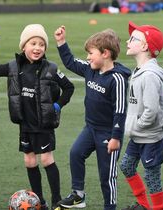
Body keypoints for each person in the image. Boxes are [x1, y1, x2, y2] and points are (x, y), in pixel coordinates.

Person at [0, 24, 74, 210]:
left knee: (47, 159)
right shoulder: (14, 67)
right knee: (29, 161)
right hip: (25, 124)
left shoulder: (51, 68)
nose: (37, 48)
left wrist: (58, 105)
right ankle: (40, 202)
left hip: (44, 123)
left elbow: (69, 87)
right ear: (24, 46)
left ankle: (57, 201)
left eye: (41, 44)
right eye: (33, 43)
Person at [54, 26, 131, 210]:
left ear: (105, 53)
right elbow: (71, 62)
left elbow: (120, 110)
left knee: (107, 175)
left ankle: (109, 206)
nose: (88, 57)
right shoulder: (90, 69)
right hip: (90, 128)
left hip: (108, 134)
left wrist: (115, 137)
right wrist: (61, 42)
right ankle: (78, 195)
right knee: (75, 153)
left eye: (91, 53)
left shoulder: (117, 79)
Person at [119, 22, 163, 210]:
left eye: (133, 39)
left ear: (145, 46)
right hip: (138, 135)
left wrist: (136, 126)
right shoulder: (139, 71)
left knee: (151, 176)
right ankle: (143, 205)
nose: (128, 41)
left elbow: (151, 111)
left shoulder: (149, 76)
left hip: (150, 137)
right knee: (126, 166)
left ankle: (157, 208)